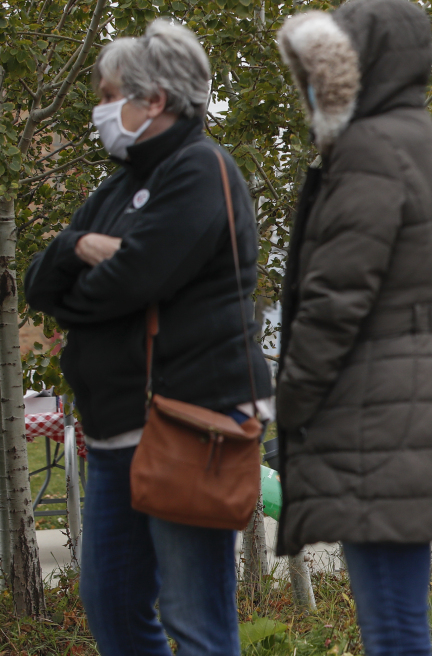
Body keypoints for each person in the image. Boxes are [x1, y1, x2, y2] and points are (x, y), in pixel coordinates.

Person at [23, 20, 273, 655]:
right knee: (113, 612)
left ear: (154, 100)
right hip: (113, 431)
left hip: (188, 423)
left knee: (196, 623)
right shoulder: (118, 185)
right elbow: (40, 287)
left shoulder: (200, 168)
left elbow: (129, 281)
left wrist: (82, 286)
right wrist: (76, 245)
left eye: (109, 96)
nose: (100, 110)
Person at [273, 1, 432, 654]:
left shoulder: (368, 147)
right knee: (399, 627)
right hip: (401, 399)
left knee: (391, 632)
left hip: (375, 409)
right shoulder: (409, 132)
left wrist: (291, 401)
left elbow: (335, 299)